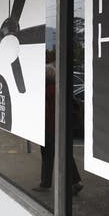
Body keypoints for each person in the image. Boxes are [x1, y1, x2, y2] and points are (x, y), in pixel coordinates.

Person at [33, 63, 83, 195]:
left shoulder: (46, 91)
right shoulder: (61, 89)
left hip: (50, 130)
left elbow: (46, 113)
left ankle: (45, 183)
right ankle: (76, 182)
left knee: (47, 157)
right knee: (66, 156)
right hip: (64, 129)